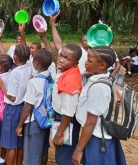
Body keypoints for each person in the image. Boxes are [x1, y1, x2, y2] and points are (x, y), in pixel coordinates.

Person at [72, 46, 126, 165]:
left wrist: (78, 149)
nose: (85, 63)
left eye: (90, 61)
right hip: (98, 136)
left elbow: (91, 122)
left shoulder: (98, 87)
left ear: (102, 65)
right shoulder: (103, 79)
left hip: (98, 139)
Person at [49, 11, 83, 165]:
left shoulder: (70, 82)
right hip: (61, 118)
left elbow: (69, 113)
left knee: (63, 157)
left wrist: (59, 134)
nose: (61, 59)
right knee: (62, 153)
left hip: (66, 122)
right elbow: (58, 46)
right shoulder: (66, 70)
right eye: (61, 55)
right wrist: (52, 24)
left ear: (75, 63)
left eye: (66, 58)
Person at [0, 44, 32, 165]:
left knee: (10, 145)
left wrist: (1, 86)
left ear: (15, 57)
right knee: (19, 143)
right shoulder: (29, 67)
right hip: (23, 108)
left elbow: (12, 96)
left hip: (12, 109)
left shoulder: (15, 73)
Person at [16, 49, 53, 165]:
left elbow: (28, 107)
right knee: (43, 151)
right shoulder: (51, 78)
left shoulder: (34, 82)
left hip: (34, 121)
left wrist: (20, 125)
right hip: (46, 119)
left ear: (36, 63)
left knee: (31, 156)